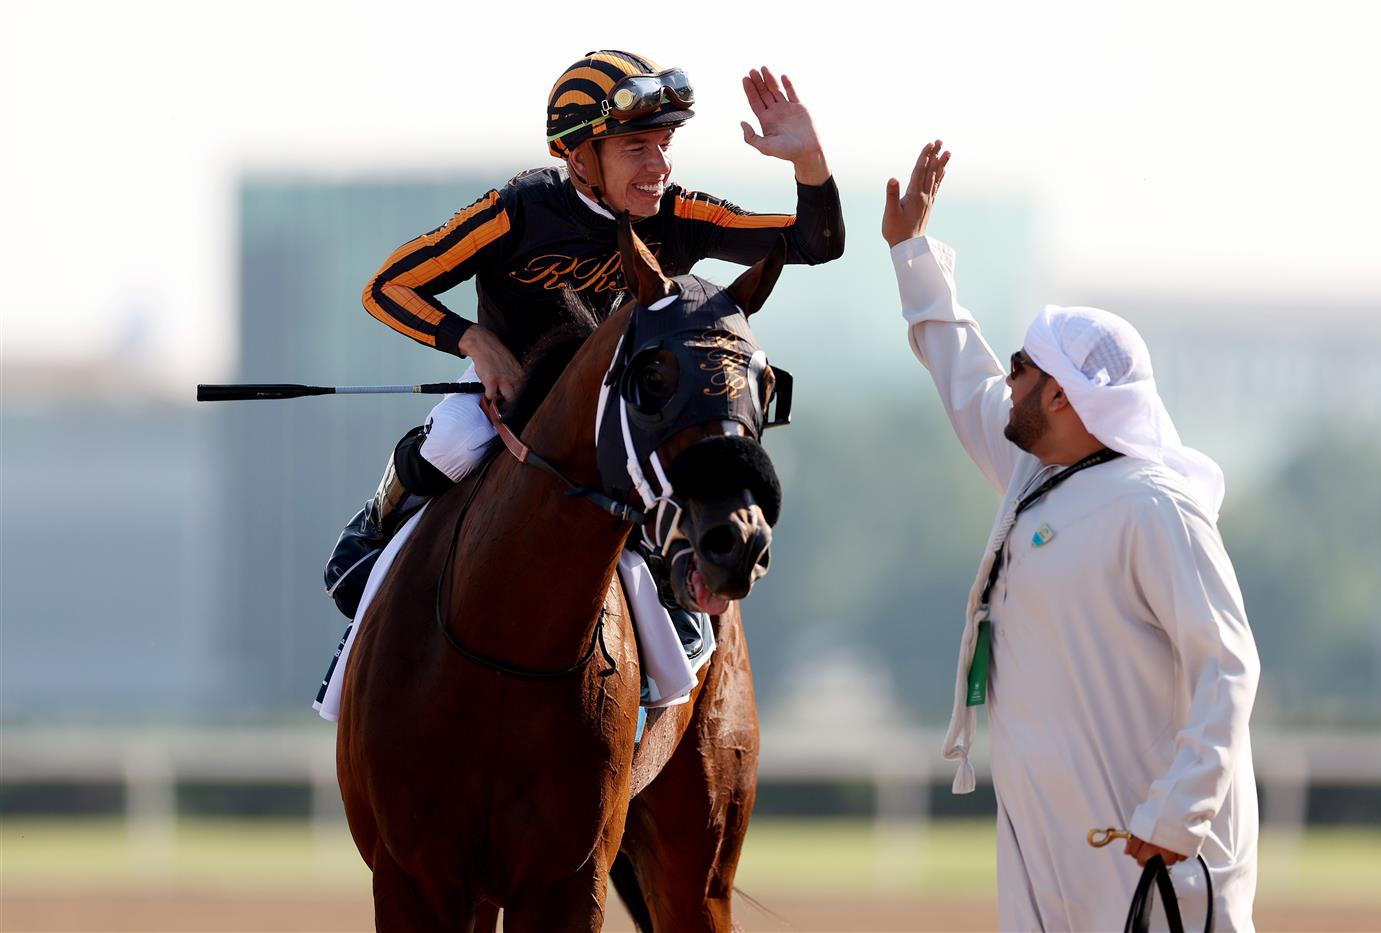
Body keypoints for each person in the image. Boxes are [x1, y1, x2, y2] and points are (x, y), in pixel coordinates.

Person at [883, 142, 1260, 931]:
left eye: (1022, 367)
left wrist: (1179, 812)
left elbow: (1227, 663)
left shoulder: (1157, 506)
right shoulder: (1035, 475)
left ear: (1061, 392)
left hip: (1152, 850)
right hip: (1046, 844)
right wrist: (912, 251)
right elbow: (961, 371)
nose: (1007, 380)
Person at [324, 51, 844, 617]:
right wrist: (476, 341)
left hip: (618, 396)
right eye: (636, 147)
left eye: (664, 146)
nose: (659, 167)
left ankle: (680, 614)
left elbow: (816, 243)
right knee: (447, 445)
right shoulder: (516, 210)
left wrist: (809, 161)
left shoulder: (680, 214)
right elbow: (387, 287)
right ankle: (375, 526)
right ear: (578, 157)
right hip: (511, 383)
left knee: (670, 473)